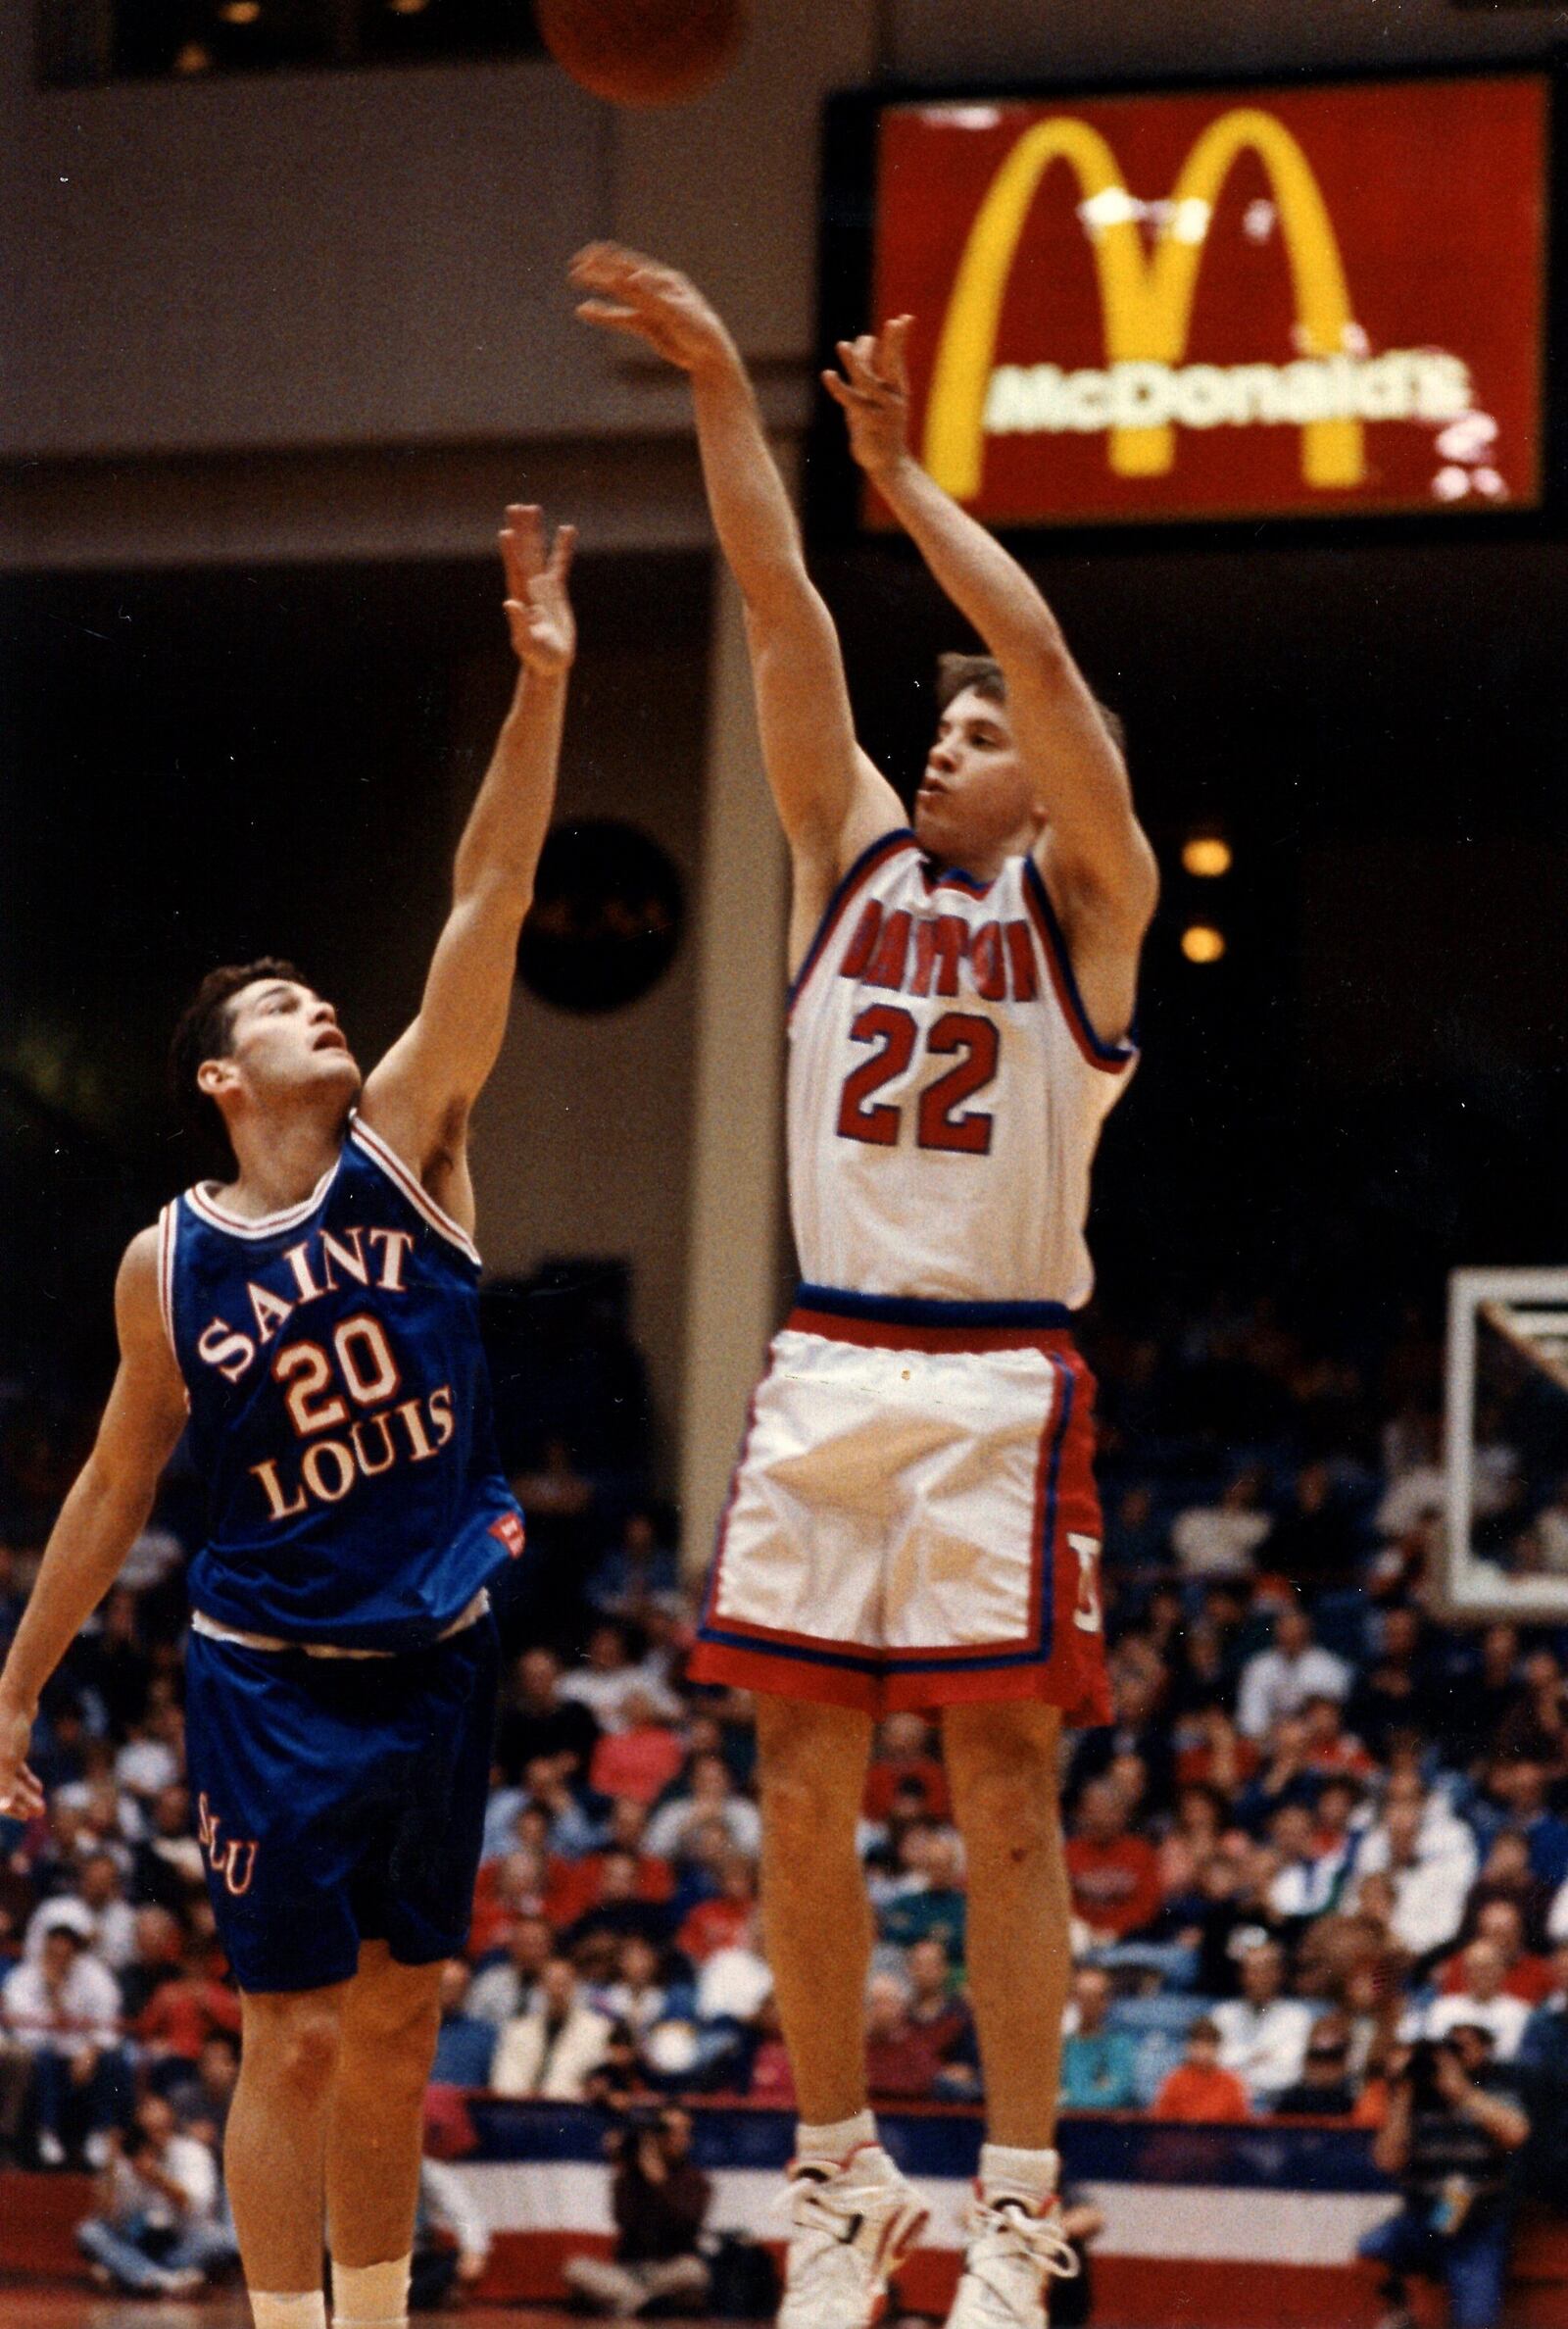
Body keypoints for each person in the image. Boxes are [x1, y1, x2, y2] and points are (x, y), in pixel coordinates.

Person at [572, 243, 1155, 2329]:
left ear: (1041, 776)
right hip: (828, 1361)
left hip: (999, 1379)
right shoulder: (841, 858)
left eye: (978, 729)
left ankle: (1013, 2196)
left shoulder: (1090, 911)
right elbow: (773, 607)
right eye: (945, 725)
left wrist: (913, 488)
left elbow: (1054, 658)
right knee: (793, 1795)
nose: (951, 740)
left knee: (1003, 1800)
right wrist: (734, 391)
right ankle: (836, 2181)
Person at [0, 505, 578, 2329]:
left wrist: (541, 685)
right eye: (285, 1004)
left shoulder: (414, 1142)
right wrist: (16, 1681)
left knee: (403, 2012)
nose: (326, 1006)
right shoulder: (166, 1263)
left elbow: (489, 892)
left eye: (326, 995)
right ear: (221, 1076)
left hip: (438, 1644)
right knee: (296, 2033)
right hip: (270, 1666)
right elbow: (115, 1480)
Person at [1359, 2029, 1530, 2329]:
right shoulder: (1411, 2099)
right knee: (1374, 2245)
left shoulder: (1491, 2088)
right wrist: (1403, 2091)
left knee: (1474, 2321)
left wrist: (1461, 2092)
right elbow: (1387, 2160)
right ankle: (1403, 2310)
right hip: (1422, 2221)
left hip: (1477, 2227)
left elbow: (1516, 2132)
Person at [76, 2092, 238, 2295]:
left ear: (172, 2126)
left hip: (180, 2243)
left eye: (162, 2129)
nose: (156, 2137)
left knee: (219, 2240)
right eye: (148, 2131)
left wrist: (157, 2179)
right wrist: (113, 2168)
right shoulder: (123, 2161)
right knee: (90, 2232)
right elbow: (110, 2218)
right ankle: (163, 2279)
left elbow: (197, 2207)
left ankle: (133, 2276)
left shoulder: (192, 2152)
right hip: (136, 2244)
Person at [563, 2105, 712, 2317]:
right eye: (669, 2132)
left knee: (695, 2272)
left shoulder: (695, 2180)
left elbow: (685, 2221)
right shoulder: (629, 2177)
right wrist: (629, 2166)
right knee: (575, 2268)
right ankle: (643, 2303)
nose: (678, 2138)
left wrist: (658, 2180)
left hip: (669, 2268)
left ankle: (627, 2302)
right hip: (629, 2270)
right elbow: (623, 2219)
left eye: (683, 2132)